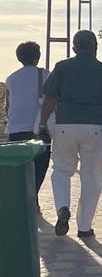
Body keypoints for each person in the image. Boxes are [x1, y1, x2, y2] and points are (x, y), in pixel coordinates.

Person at [37, 30, 102, 239]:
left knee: (60, 169)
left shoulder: (62, 67)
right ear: (95, 47)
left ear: (74, 48)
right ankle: (84, 227)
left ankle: (62, 207)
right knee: (91, 177)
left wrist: (42, 123)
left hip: (65, 125)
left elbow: (49, 98)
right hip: (95, 127)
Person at [5, 41, 51, 199]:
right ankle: (33, 196)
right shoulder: (45, 75)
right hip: (39, 128)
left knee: (19, 167)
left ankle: (24, 198)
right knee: (40, 164)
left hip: (15, 128)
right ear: (38, 56)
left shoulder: (11, 78)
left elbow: (7, 104)